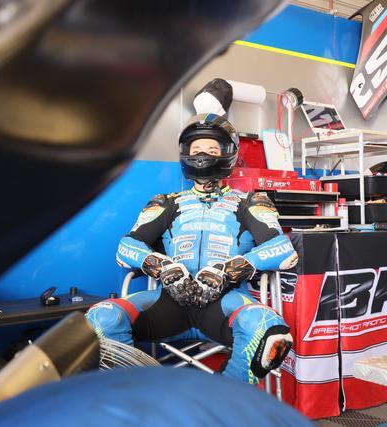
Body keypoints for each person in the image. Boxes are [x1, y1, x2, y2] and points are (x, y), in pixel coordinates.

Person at [85, 113, 299, 384]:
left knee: (269, 332)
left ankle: (222, 400)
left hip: (226, 304)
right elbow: (126, 248)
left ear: (228, 153)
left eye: (212, 150)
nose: (202, 156)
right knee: (100, 319)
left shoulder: (250, 202)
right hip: (166, 305)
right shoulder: (166, 202)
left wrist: (228, 271)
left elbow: (283, 249)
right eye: (196, 149)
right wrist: (162, 266)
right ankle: (134, 399)